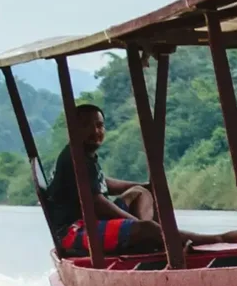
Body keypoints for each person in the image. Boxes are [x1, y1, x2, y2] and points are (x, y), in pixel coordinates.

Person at [42, 103, 168, 259]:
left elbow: (102, 182)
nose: (95, 131)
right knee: (149, 229)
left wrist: (142, 185)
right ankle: (157, 236)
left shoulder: (85, 153)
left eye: (99, 125)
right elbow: (98, 204)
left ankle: (146, 239)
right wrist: (139, 224)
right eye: (86, 126)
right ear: (73, 130)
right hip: (75, 231)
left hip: (92, 220)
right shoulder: (75, 159)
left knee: (140, 193)